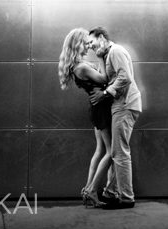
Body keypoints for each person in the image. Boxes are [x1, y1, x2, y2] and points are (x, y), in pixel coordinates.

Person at [88, 26, 142, 209]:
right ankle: (111, 193)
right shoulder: (107, 54)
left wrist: (105, 93)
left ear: (102, 37)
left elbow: (124, 77)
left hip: (125, 105)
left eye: (93, 43)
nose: (91, 48)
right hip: (120, 105)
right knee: (116, 152)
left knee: (120, 153)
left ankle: (126, 198)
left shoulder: (116, 51)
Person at [58, 28, 113, 208]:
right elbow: (104, 78)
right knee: (112, 152)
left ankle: (87, 190)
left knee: (100, 150)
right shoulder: (81, 67)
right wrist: (100, 57)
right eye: (86, 43)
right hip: (101, 109)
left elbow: (98, 79)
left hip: (96, 108)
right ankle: (91, 190)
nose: (89, 45)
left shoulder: (77, 65)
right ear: (77, 44)